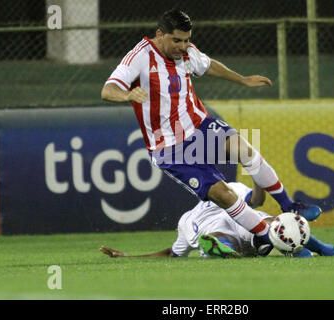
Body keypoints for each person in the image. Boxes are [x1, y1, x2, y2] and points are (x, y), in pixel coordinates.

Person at [101, 8, 321, 247]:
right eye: (176, 40)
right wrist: (128, 95)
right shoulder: (140, 57)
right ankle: (271, 237)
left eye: (186, 40)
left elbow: (208, 65)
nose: (182, 46)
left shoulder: (186, 53)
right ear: (159, 34)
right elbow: (108, 89)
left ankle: (289, 205)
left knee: (244, 150)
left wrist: (242, 79)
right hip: (169, 147)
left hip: (199, 125)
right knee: (223, 194)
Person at [99, 182, 334, 259]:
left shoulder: (230, 189)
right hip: (220, 231)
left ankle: (322, 248)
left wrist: (259, 178)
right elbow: (171, 253)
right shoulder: (187, 221)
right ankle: (219, 250)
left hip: (248, 223)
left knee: (278, 223)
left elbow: (256, 201)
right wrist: (128, 257)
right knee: (217, 236)